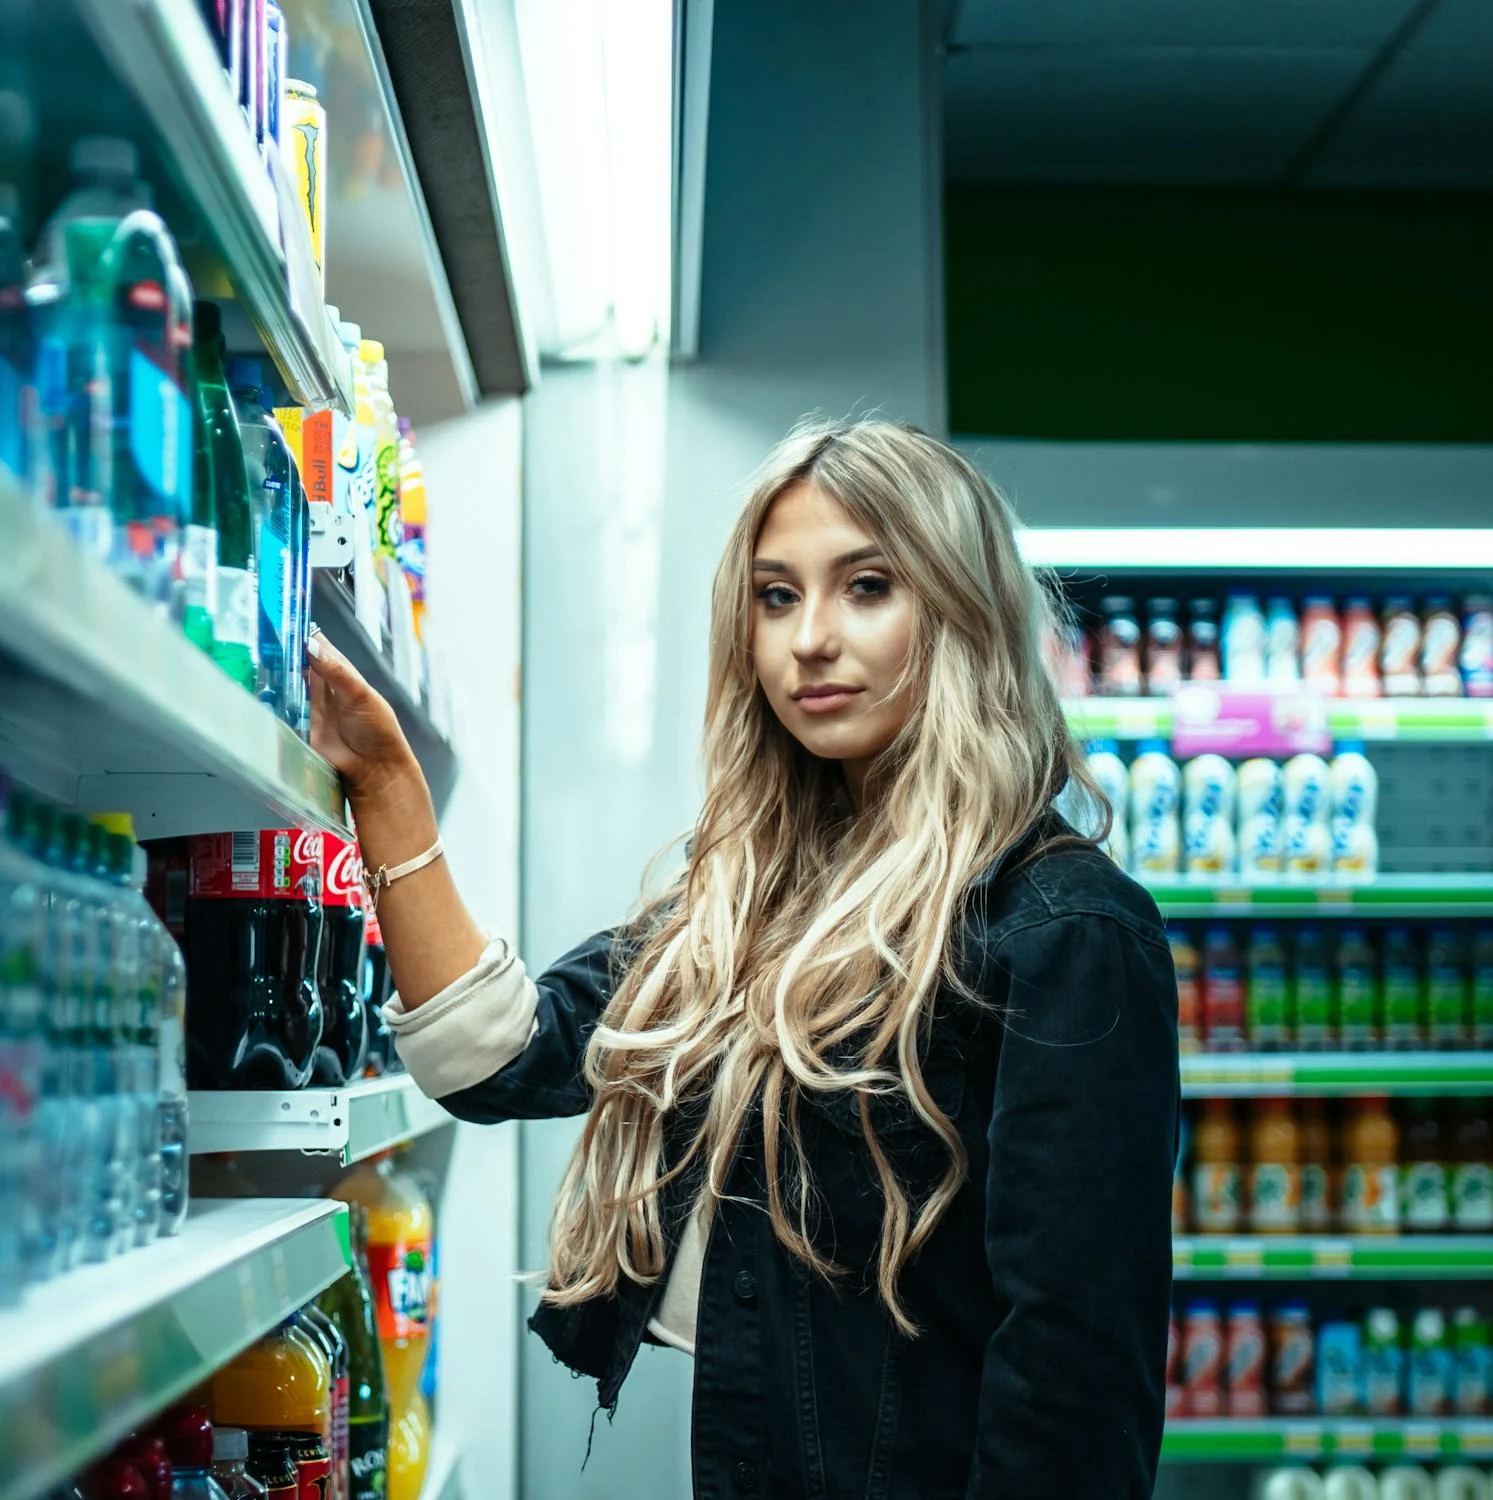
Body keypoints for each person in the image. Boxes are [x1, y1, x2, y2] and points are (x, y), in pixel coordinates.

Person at [308, 418, 1179, 1499]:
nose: (808, 638)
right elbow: (498, 1057)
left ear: (960, 611)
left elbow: (1071, 1389)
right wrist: (385, 782)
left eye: (866, 586)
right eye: (775, 596)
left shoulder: (1064, 931)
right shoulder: (747, 905)